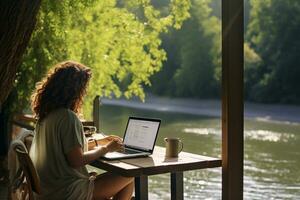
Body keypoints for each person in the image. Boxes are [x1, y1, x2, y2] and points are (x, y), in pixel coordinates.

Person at [29, 61, 134, 200]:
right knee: (130, 174)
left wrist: (99, 143)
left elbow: (68, 150)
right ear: (74, 90)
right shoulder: (67, 117)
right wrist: (107, 148)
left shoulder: (46, 116)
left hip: (49, 189)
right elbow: (76, 160)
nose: (84, 93)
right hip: (66, 192)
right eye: (83, 89)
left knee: (122, 177)